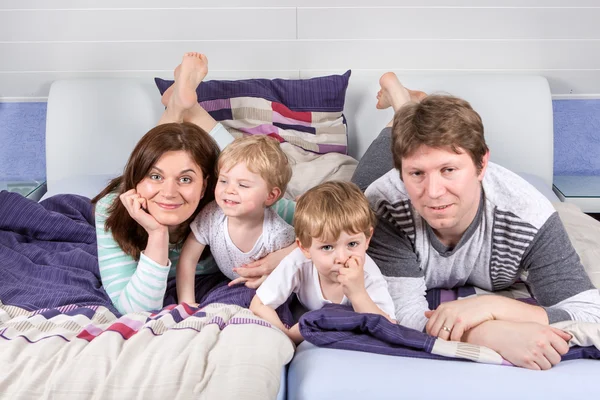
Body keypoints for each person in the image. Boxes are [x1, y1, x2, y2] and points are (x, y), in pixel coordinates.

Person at [353, 72, 600, 370]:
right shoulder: (385, 204)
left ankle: (406, 105)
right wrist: (487, 332)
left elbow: (590, 314)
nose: (433, 193)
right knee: (355, 195)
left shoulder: (528, 215)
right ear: (401, 173)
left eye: (448, 170)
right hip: (378, 193)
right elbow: (401, 313)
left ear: (482, 164)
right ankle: (402, 104)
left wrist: (493, 306)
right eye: (416, 173)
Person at [92, 52, 295, 315]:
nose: (168, 193)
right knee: (164, 153)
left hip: (219, 176)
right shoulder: (112, 210)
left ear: (205, 186)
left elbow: (325, 227)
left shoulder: (230, 199)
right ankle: (182, 108)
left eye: (185, 179)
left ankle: (180, 106)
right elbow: (137, 309)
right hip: (141, 186)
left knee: (245, 165)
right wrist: (157, 234)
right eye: (155, 177)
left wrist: (279, 258)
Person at [250, 181, 396, 345]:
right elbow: (259, 304)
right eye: (327, 247)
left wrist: (358, 294)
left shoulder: (368, 274)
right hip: (302, 313)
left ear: (367, 239)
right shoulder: (298, 262)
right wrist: (287, 336)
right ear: (305, 248)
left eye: (352, 244)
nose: (341, 257)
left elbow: (389, 328)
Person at [176, 135, 296, 306]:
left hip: (268, 288)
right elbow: (188, 259)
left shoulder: (277, 234)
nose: (229, 190)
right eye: (223, 180)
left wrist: (273, 278)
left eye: (243, 185)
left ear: (271, 196)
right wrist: (186, 301)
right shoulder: (212, 216)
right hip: (228, 282)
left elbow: (301, 263)